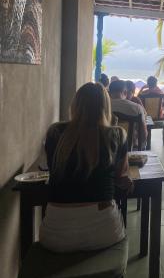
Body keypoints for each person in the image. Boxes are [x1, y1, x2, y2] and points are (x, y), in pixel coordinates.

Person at [39, 82, 131, 252]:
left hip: (54, 234)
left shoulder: (54, 132)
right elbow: (121, 177)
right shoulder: (117, 135)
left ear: (75, 105)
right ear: (106, 107)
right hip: (103, 231)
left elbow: (50, 168)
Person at [109, 80, 147, 146]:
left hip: (108, 148)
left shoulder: (102, 107)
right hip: (131, 147)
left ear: (109, 93)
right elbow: (143, 136)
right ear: (125, 92)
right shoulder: (137, 108)